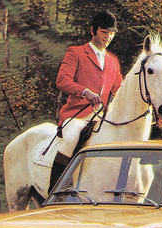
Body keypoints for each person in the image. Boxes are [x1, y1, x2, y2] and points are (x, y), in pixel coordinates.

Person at [49, 10, 124, 192]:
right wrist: (85, 91)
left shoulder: (113, 61)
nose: (108, 37)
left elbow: (120, 90)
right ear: (93, 31)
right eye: (104, 32)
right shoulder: (75, 53)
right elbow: (62, 80)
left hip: (102, 118)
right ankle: (56, 189)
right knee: (72, 138)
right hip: (77, 115)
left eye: (111, 33)